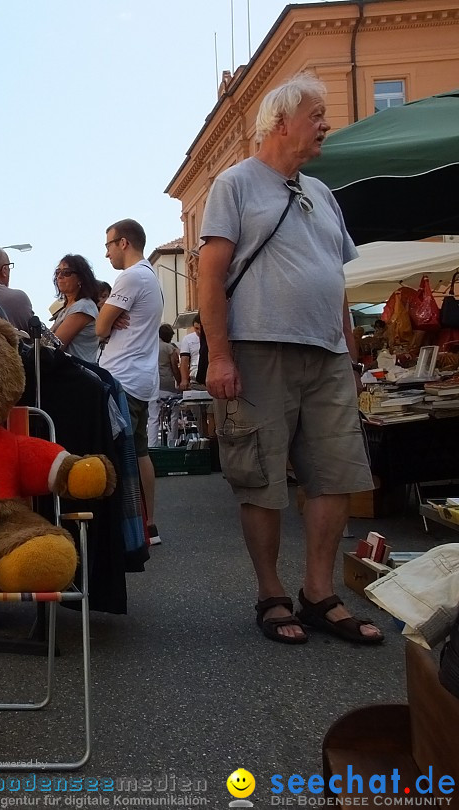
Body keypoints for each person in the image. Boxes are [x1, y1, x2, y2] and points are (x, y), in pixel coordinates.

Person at [197, 72, 382, 645]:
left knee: (336, 474)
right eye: (317, 114)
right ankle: (272, 593)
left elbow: (337, 280)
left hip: (326, 354)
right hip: (258, 350)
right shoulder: (235, 184)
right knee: (261, 476)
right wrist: (220, 356)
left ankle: (319, 592)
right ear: (280, 122)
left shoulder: (322, 193)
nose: (326, 123)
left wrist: (349, 352)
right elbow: (209, 274)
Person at [95, 219, 164, 545]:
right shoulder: (149, 276)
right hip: (141, 377)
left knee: (116, 452)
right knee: (139, 452)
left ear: (124, 243)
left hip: (121, 376)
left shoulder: (131, 276)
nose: (106, 252)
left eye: (108, 244)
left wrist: (106, 315)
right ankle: (148, 525)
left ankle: (126, 529)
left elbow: (100, 328)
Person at [50, 254, 103, 362]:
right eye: (58, 272)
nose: (59, 276)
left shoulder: (83, 307)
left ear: (81, 278)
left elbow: (55, 345)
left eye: (66, 272)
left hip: (75, 374)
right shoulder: (66, 309)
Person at [148, 324, 181, 447]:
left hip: (153, 385)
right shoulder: (169, 348)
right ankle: (172, 443)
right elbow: (174, 368)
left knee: (153, 417)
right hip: (168, 385)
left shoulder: (150, 347)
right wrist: (180, 381)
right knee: (173, 415)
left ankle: (152, 445)